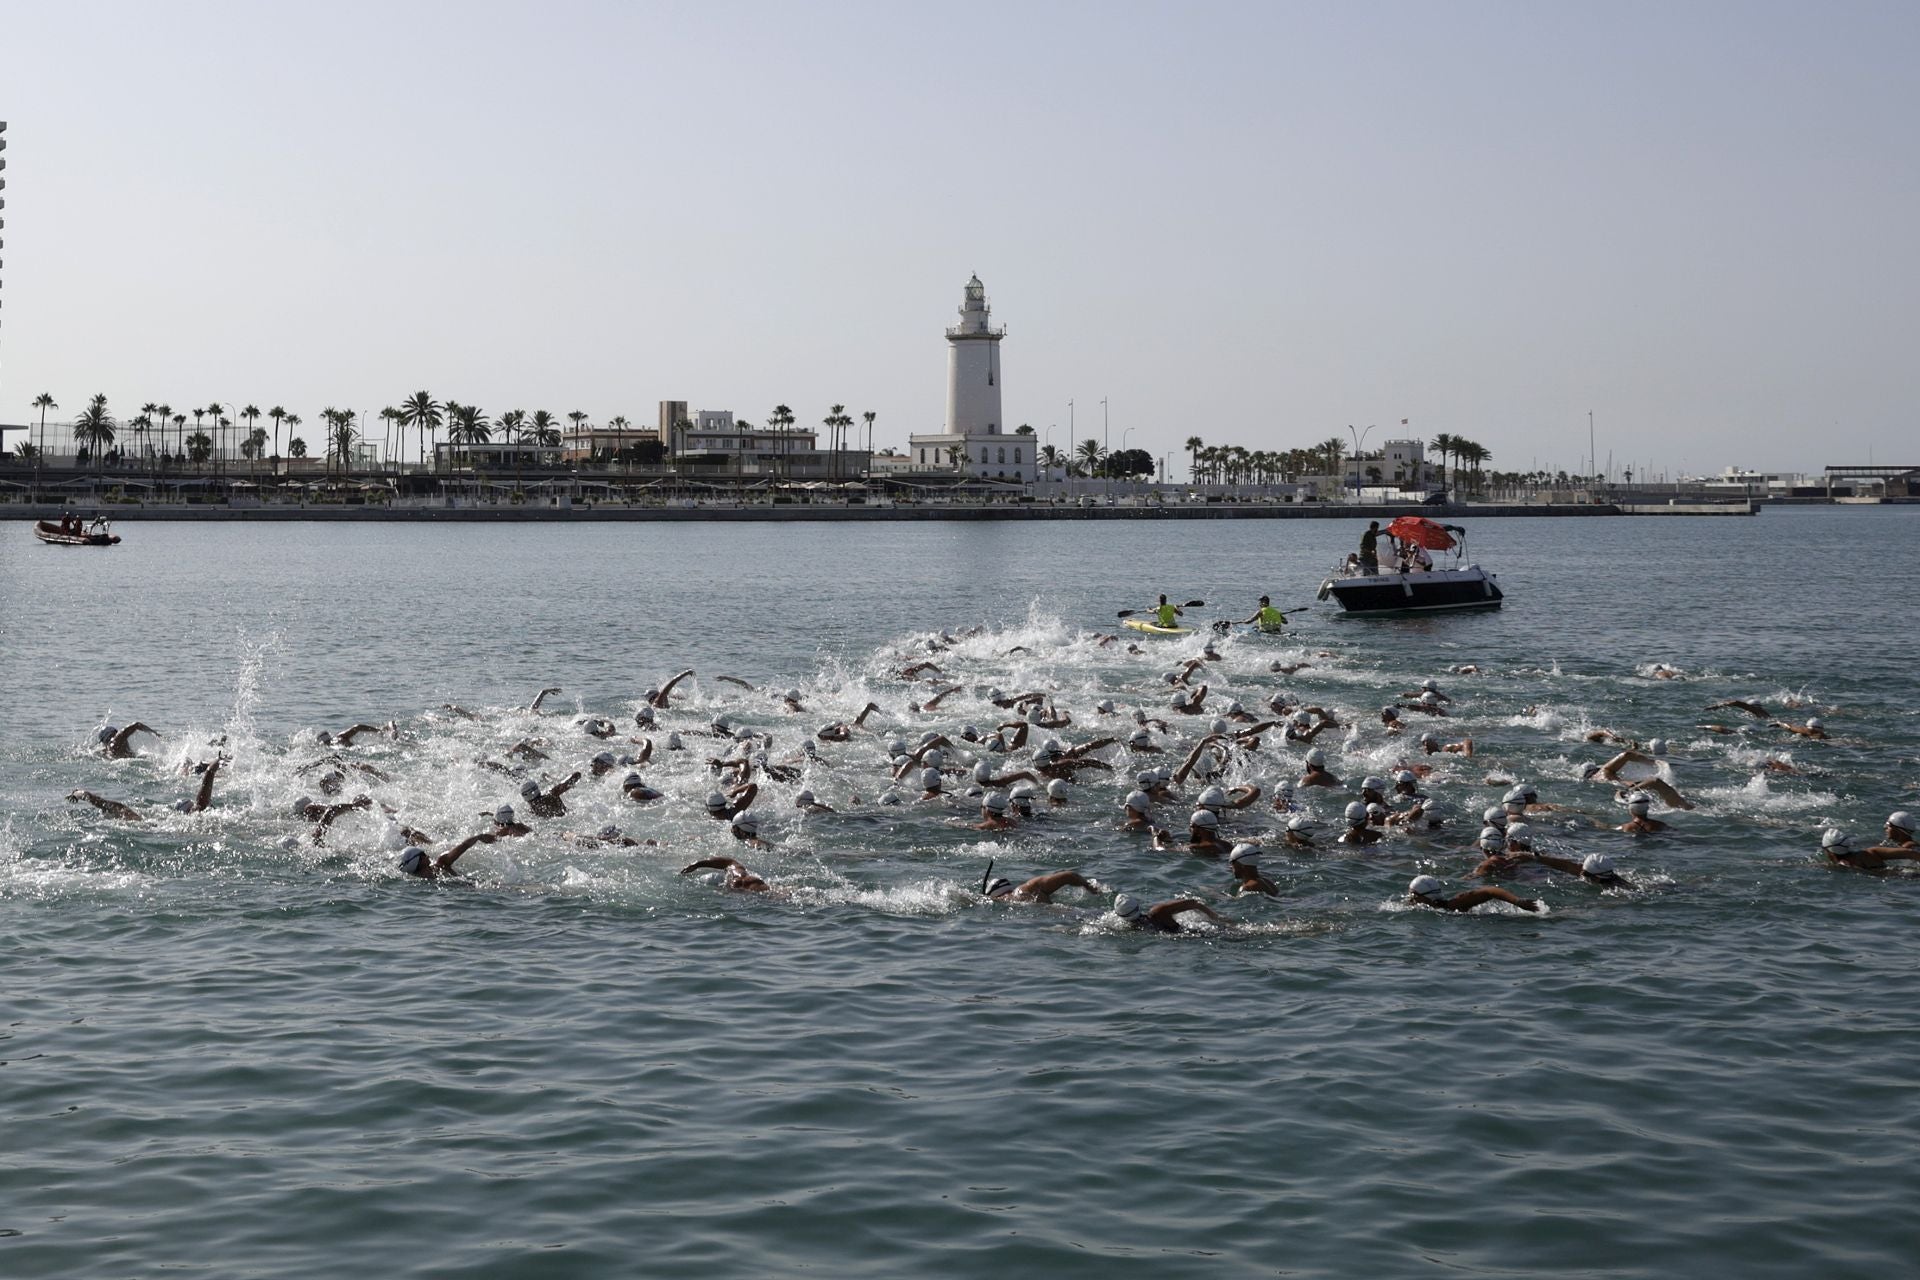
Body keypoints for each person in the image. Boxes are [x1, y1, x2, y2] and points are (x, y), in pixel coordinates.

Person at [1406, 875, 1540, 913]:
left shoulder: (1455, 905)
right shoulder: (1411, 908)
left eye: (1413, 895)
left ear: (1426, 896)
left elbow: (1490, 890)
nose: (1410, 899)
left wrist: (1517, 901)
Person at [398, 832, 498, 880]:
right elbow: (463, 846)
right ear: (419, 861)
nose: (427, 855)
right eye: (423, 854)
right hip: (473, 886)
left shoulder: (414, 879)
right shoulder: (442, 864)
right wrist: (479, 837)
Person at [1113, 893, 1226, 934]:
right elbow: (1193, 903)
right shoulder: (1158, 912)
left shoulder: (1128, 930)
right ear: (1138, 906)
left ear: (1119, 915)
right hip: (1202, 933)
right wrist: (1217, 918)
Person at [984, 869, 1104, 904]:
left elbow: (1067, 875)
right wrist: (1089, 887)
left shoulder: (1024, 890)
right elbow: (1069, 875)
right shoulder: (1027, 889)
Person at [680, 856, 771, 893]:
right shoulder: (739, 875)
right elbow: (729, 862)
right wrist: (698, 864)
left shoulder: (728, 889)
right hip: (762, 890)